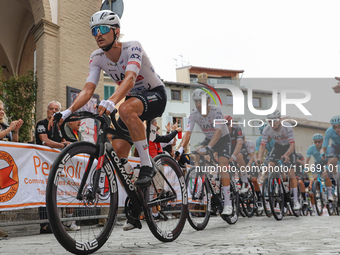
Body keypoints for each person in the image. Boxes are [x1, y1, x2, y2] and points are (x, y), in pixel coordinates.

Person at [49, 10, 167, 231]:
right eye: (95, 31)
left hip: (155, 95)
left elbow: (130, 79)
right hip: (132, 101)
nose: (98, 34)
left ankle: (147, 165)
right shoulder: (97, 57)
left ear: (116, 32)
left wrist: (113, 100)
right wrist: (67, 112)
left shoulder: (133, 47)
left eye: (103, 29)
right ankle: (136, 204)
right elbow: (87, 89)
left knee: (125, 108)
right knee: (118, 153)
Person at [175, 89, 232, 215]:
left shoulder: (216, 110)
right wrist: (180, 149)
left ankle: (228, 203)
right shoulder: (194, 114)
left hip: (222, 139)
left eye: (201, 101)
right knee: (195, 154)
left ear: (208, 101)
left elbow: (218, 132)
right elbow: (188, 133)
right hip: (208, 138)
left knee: (223, 165)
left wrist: (209, 148)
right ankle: (203, 180)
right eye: (196, 102)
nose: (198, 104)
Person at [36, 101, 71, 234]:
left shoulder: (59, 126)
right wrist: (64, 146)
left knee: (58, 190)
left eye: (56, 109)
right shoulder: (42, 124)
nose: (53, 111)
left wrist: (67, 144)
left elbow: (64, 141)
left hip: (56, 165)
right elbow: (46, 141)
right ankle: (45, 224)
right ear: (47, 111)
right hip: (42, 165)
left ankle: (57, 223)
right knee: (43, 191)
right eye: (51, 109)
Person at [257, 110, 300, 210]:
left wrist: (286, 154)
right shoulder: (267, 129)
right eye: (270, 121)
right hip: (278, 146)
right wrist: (259, 157)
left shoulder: (287, 127)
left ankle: (296, 200)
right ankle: (276, 185)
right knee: (270, 164)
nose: (272, 124)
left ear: (280, 120)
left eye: (274, 121)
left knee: (291, 172)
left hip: (289, 147)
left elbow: (292, 144)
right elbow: (262, 145)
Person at [305, 133, 331, 212]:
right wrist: (306, 167)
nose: (317, 143)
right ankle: (319, 191)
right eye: (315, 142)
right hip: (317, 164)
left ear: (322, 141)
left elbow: (330, 159)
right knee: (315, 177)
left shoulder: (327, 148)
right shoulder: (311, 148)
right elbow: (307, 159)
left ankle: (329, 194)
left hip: (326, 162)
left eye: (319, 142)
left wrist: (327, 168)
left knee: (326, 175)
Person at [224, 115, 249, 193]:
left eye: (227, 124)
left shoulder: (237, 129)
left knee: (238, 156)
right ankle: (233, 185)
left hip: (240, 148)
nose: (226, 127)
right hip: (230, 150)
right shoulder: (222, 131)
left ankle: (245, 180)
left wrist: (234, 155)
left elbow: (239, 143)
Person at [320, 115, 340, 202]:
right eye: (335, 127)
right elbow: (323, 148)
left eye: (339, 126)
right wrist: (322, 153)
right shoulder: (329, 131)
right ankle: (336, 180)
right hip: (335, 147)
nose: (337, 129)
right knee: (332, 160)